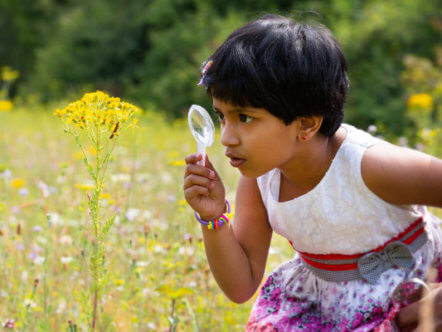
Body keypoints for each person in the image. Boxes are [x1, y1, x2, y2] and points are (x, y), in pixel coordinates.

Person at [183, 14, 442, 331]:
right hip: (330, 311)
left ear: (306, 123)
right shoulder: (260, 179)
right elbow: (240, 285)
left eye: (245, 118)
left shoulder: (371, 167)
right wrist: (213, 218)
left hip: (419, 290)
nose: (226, 137)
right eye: (222, 116)